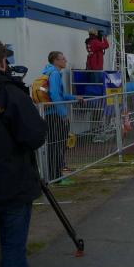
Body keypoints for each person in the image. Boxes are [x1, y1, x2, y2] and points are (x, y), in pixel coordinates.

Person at [0, 38, 47, 267]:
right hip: (11, 181)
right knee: (13, 246)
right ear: (2, 61)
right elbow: (34, 135)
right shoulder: (8, 92)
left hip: (7, 180)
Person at [42, 51, 81, 185]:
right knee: (57, 145)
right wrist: (63, 114)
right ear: (55, 61)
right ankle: (56, 176)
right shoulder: (54, 74)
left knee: (54, 144)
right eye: (62, 59)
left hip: (50, 114)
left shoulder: (50, 73)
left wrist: (74, 97)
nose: (65, 60)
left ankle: (54, 175)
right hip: (55, 115)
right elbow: (55, 95)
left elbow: (60, 94)